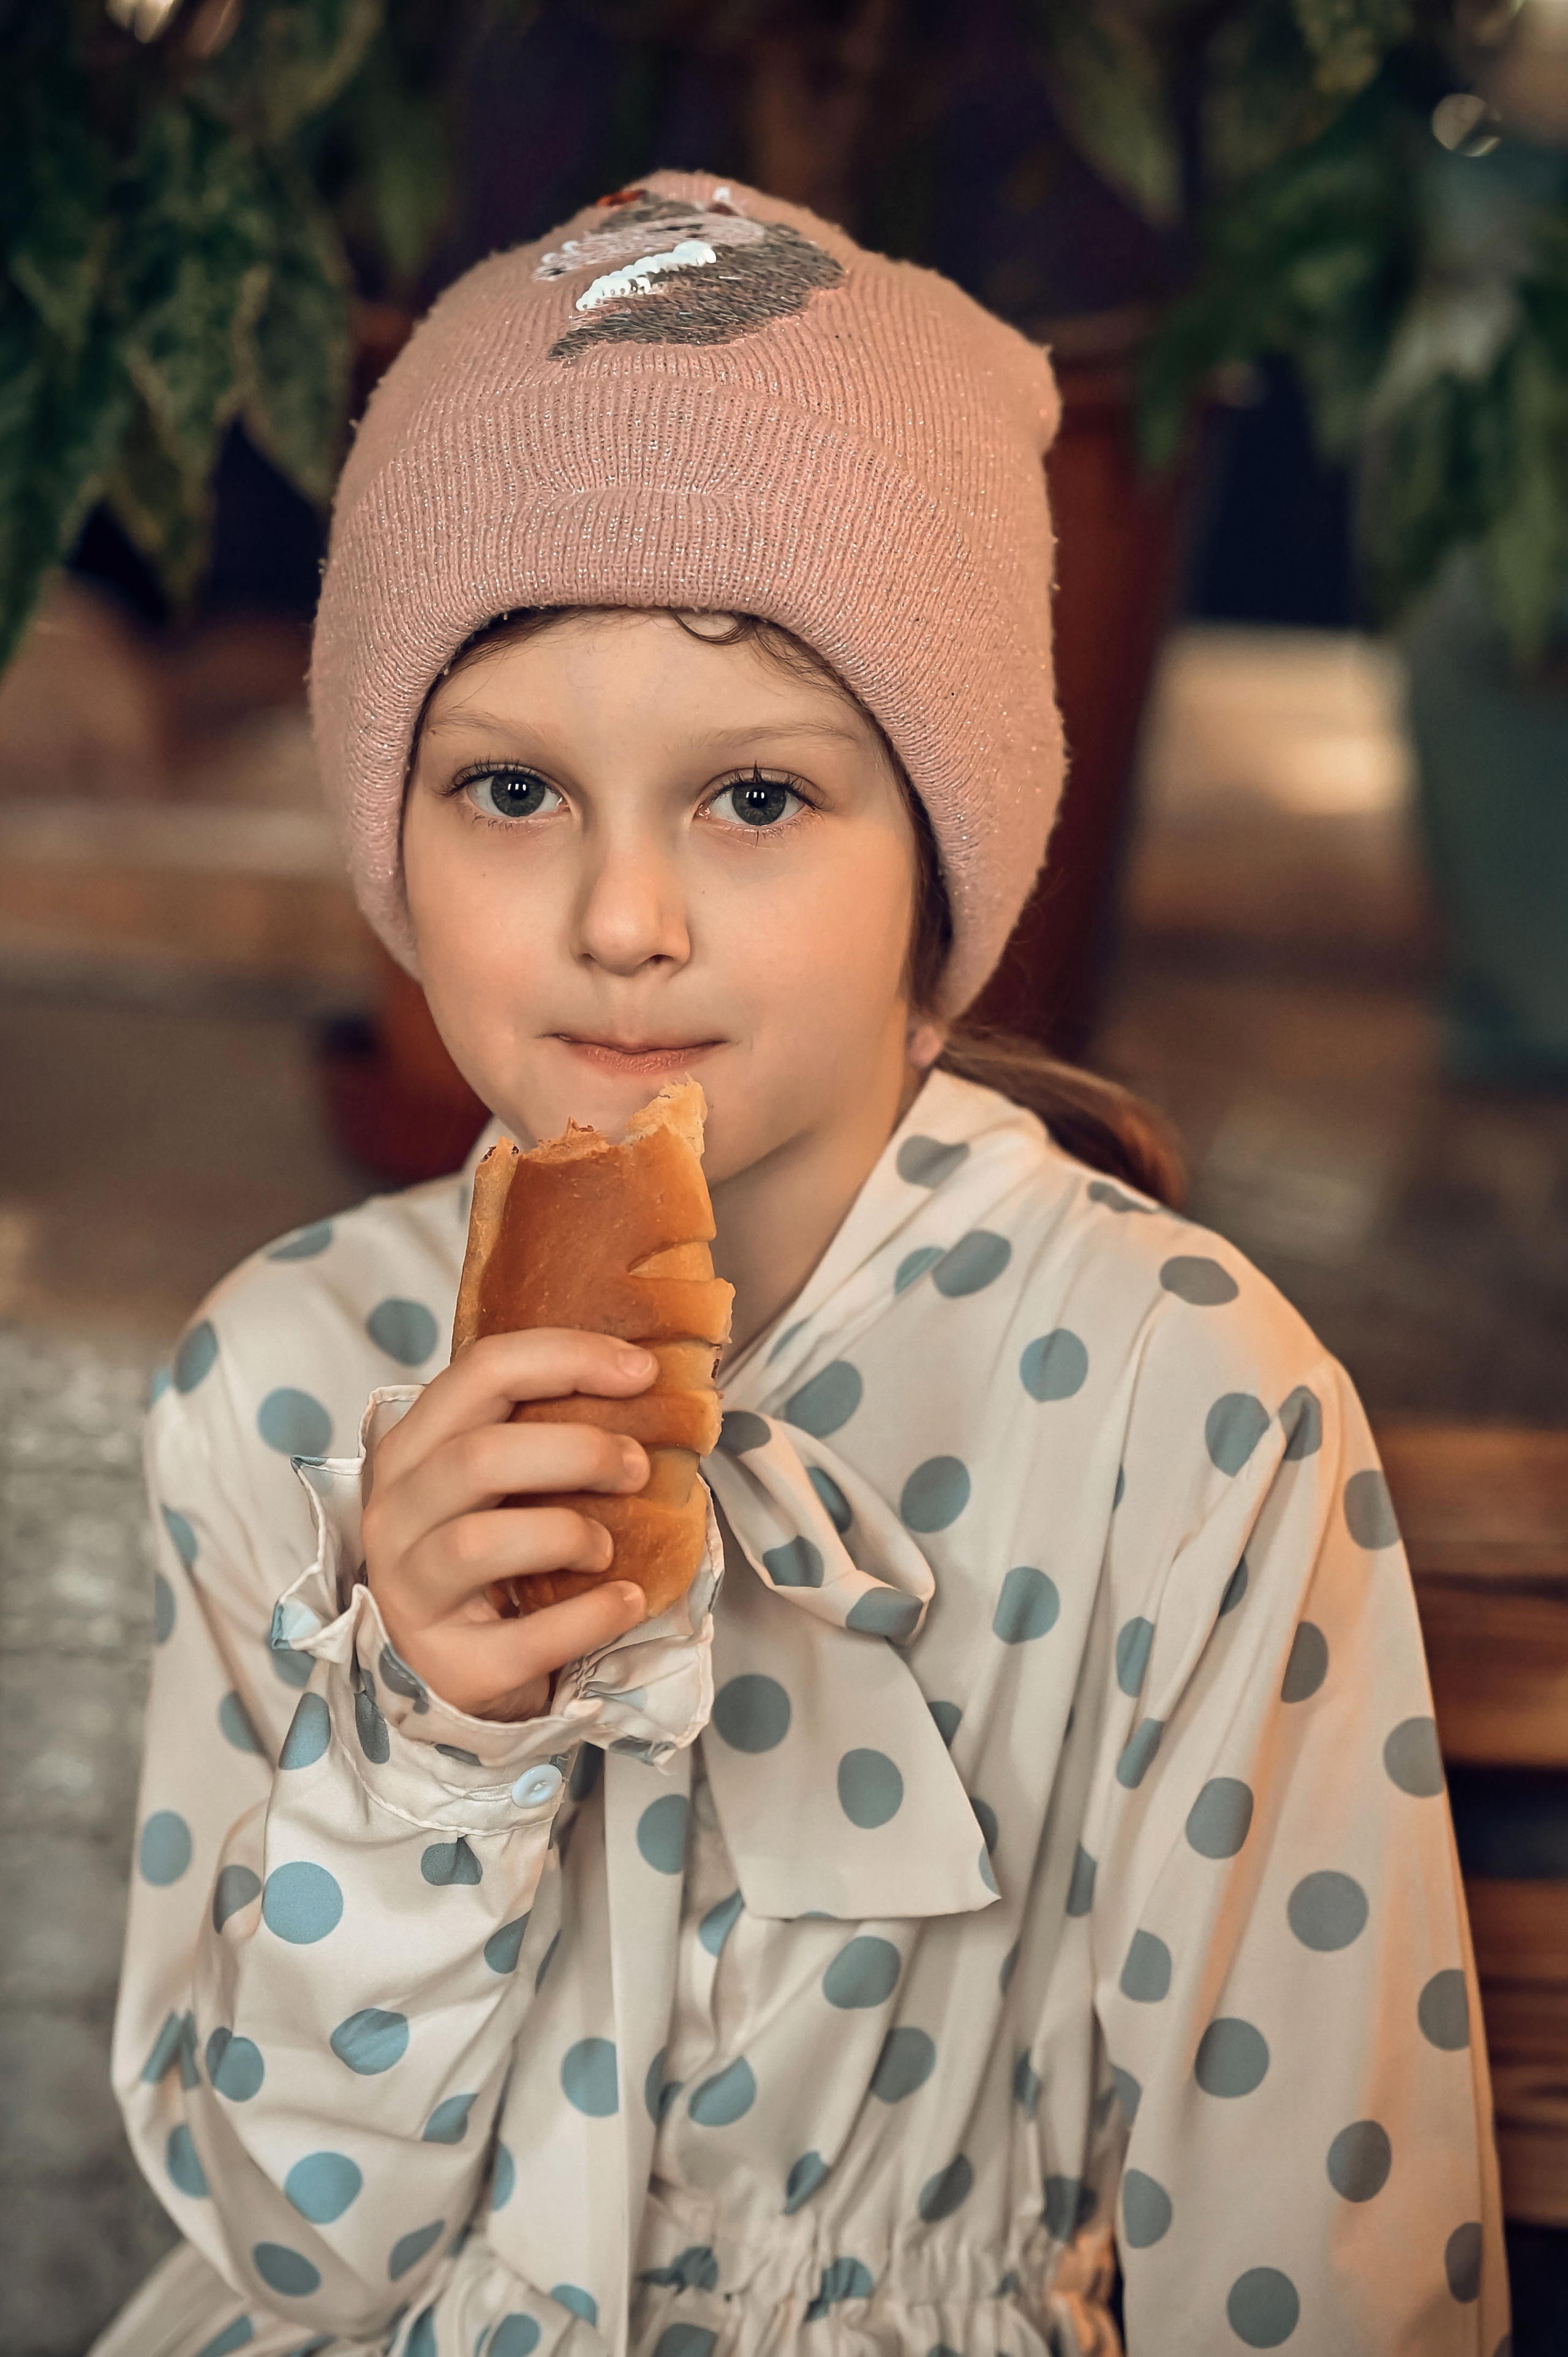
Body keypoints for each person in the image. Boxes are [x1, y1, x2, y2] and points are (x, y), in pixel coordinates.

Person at [94, 173, 1506, 2357]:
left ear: (945, 870)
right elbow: (293, 2257)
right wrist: (423, 1744)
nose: (624, 916)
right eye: (508, 789)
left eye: (755, 799)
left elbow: (1323, 2244)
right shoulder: (277, 1385)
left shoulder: (1186, 1407)